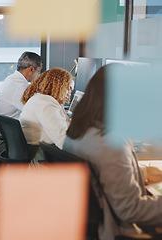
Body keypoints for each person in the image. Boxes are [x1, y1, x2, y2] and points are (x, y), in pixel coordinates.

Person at [63, 64, 162, 240]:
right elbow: (130, 209)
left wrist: (144, 172)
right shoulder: (111, 143)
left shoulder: (79, 131)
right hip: (118, 231)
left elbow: (100, 175)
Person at [0, 51, 43, 152]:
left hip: (3, 135)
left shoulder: (11, 79)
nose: (39, 75)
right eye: (39, 71)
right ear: (31, 69)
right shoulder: (20, 87)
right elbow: (35, 113)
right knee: (46, 140)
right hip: (6, 141)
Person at [19, 68, 73, 150]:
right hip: (39, 152)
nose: (69, 93)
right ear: (59, 86)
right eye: (68, 88)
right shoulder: (46, 104)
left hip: (36, 148)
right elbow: (63, 142)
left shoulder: (40, 99)